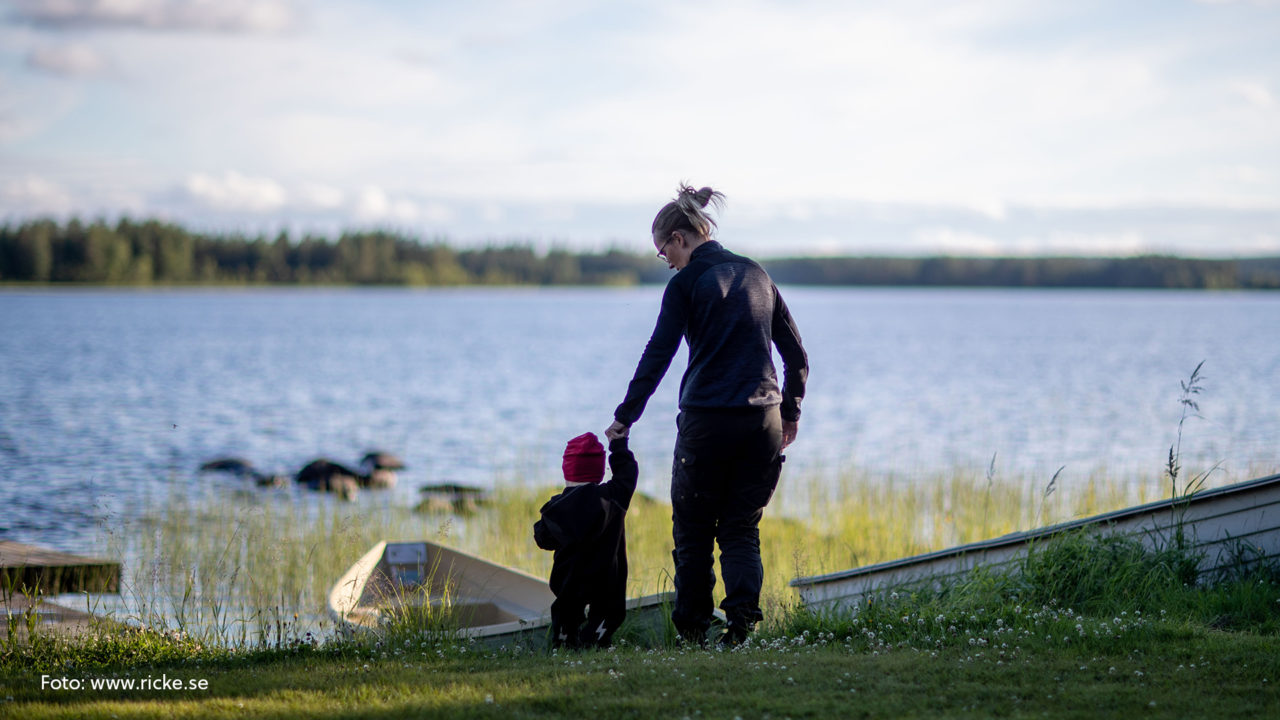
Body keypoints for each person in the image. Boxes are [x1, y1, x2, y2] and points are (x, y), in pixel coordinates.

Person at [605, 183, 808, 647]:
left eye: (664, 252)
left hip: (707, 421)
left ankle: (694, 632)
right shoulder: (759, 275)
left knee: (693, 530)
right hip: (764, 422)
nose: (667, 262)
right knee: (740, 527)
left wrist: (625, 416)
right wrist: (791, 414)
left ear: (680, 238)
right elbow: (797, 357)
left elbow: (658, 354)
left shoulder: (686, 283)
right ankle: (740, 629)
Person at [533, 430, 638, 648]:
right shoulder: (612, 496)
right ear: (599, 471)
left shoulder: (558, 507)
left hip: (570, 579)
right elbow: (627, 474)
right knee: (609, 613)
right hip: (608, 577)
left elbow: (542, 538)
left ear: (567, 470)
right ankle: (596, 639)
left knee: (566, 611)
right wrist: (619, 444)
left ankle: (564, 641)